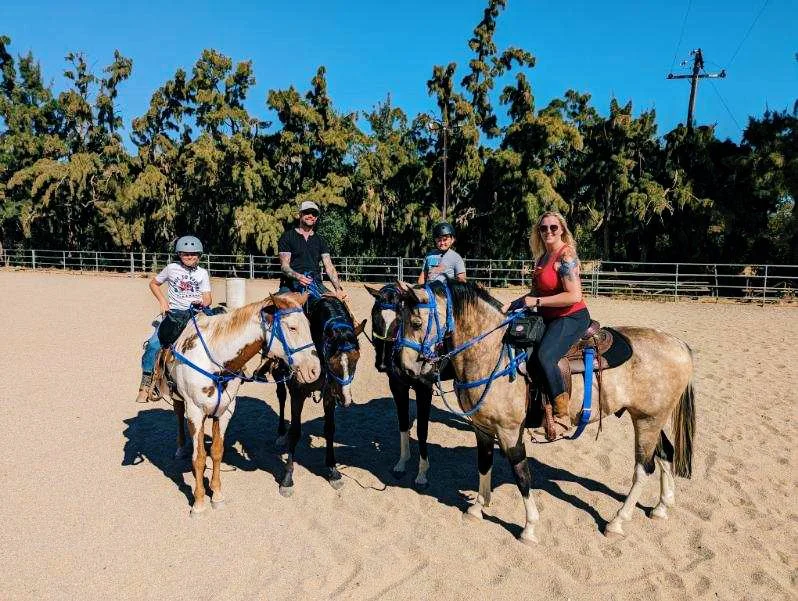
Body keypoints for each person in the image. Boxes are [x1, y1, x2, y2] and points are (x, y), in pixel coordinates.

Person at [502, 211, 590, 430]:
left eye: (553, 227)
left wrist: (537, 302)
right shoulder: (542, 258)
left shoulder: (566, 256)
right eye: (543, 228)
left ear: (562, 229)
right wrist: (510, 305)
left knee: (546, 356)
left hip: (571, 316)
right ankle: (536, 409)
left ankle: (562, 414)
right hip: (547, 315)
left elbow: (574, 296)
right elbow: (534, 292)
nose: (548, 232)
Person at [135, 235, 212, 403]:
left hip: (197, 314)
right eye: (185, 254)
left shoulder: (202, 273)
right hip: (175, 314)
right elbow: (153, 284)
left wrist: (202, 302)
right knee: (153, 345)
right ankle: (146, 383)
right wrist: (163, 301)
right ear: (179, 255)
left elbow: (208, 298)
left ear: (199, 255)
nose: (189, 257)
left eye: (193, 254)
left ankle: (235, 369)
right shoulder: (171, 268)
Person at [277, 200, 348, 300]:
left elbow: (329, 267)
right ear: (300, 214)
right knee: (283, 312)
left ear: (316, 218)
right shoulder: (287, 237)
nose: (311, 215)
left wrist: (338, 289)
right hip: (290, 286)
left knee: (337, 306)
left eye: (314, 213)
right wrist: (299, 277)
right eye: (307, 212)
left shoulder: (320, 240)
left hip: (316, 285)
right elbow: (284, 267)